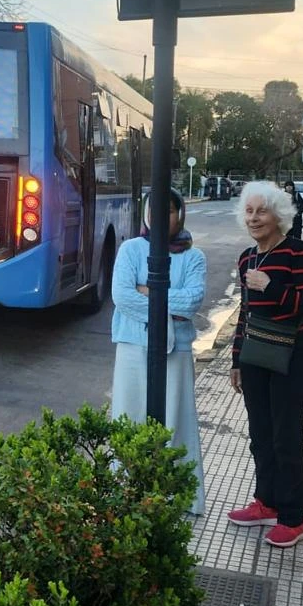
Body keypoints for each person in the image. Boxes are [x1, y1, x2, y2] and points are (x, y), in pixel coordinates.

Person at [228, 181, 303, 549]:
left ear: (278, 214)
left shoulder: (298, 252)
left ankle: (294, 517)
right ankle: (266, 502)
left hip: (294, 355)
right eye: (249, 211)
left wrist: (271, 286)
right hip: (257, 355)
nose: (254, 218)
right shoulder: (247, 258)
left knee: (286, 436)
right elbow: (245, 313)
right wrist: (236, 361)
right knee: (261, 434)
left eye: (261, 211)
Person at [111, 190, 206, 515]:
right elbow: (123, 297)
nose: (160, 215)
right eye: (154, 208)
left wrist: (149, 291)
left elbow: (191, 303)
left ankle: (175, 495)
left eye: (169, 210)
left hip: (177, 351)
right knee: (129, 415)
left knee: (175, 418)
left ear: (180, 214)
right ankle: (125, 490)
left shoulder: (193, 257)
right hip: (132, 347)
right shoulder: (131, 249)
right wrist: (168, 306)